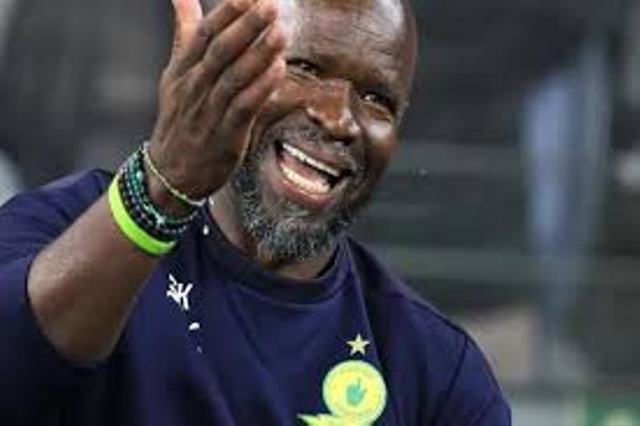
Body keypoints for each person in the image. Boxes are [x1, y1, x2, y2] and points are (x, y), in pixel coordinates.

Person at [0, 0, 511, 424]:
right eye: (304, 68)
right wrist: (162, 190)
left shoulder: (435, 374)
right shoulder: (62, 227)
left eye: (377, 99)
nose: (338, 119)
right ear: (225, 66)